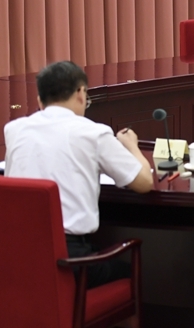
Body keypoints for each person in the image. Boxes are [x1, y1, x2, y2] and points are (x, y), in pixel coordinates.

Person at [3, 61, 154, 288]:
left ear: (40, 100)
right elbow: (143, 183)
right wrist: (131, 146)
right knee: (129, 270)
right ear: (81, 93)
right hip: (70, 262)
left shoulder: (14, 130)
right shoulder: (93, 133)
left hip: (17, 260)